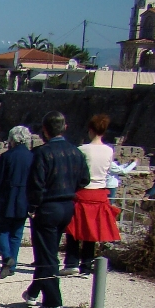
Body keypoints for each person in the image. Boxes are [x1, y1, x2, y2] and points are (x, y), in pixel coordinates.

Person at [24, 111, 90, 308]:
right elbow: (85, 180)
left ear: (44, 130)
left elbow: (36, 185)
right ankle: (33, 292)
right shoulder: (76, 152)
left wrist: (32, 207)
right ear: (65, 127)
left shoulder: (42, 153)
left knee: (46, 255)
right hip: (67, 206)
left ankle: (53, 302)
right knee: (48, 251)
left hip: (47, 207)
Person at [62, 114, 122, 276]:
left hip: (83, 191)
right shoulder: (109, 151)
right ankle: (87, 264)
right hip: (100, 193)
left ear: (90, 130)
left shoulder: (82, 149)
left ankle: (72, 262)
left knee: (74, 229)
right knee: (91, 232)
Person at [0, 126, 33, 278]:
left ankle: (6, 257)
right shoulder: (32, 157)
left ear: (12, 139)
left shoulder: (6, 157)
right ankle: (12, 266)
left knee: (1, 230)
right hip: (24, 200)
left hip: (5, 200)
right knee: (16, 234)